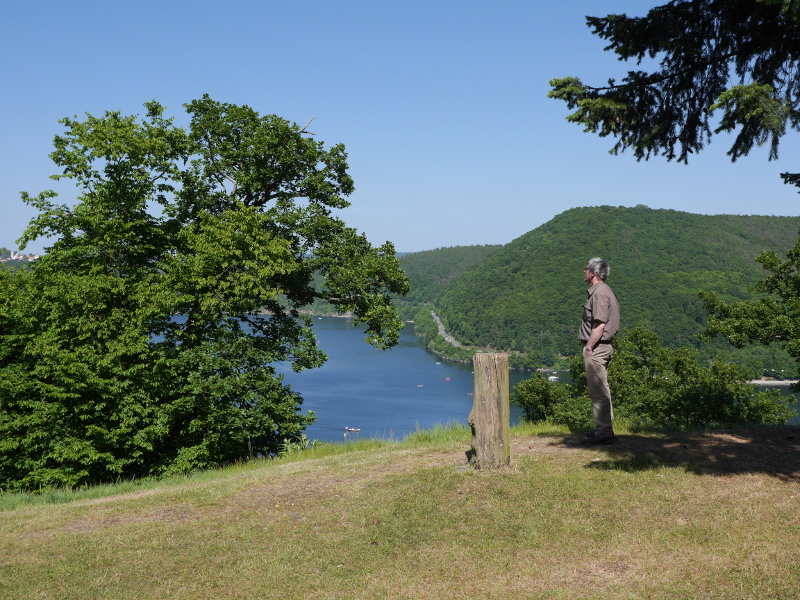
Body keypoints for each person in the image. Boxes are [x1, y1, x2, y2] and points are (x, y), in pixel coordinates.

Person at [578, 257, 620, 445]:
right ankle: (603, 429)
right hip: (602, 346)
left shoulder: (600, 293)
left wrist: (589, 346)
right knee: (603, 390)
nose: (584, 271)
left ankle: (603, 433)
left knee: (598, 392)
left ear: (593, 272)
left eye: (586, 268)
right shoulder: (602, 291)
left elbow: (600, 324)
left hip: (597, 348)